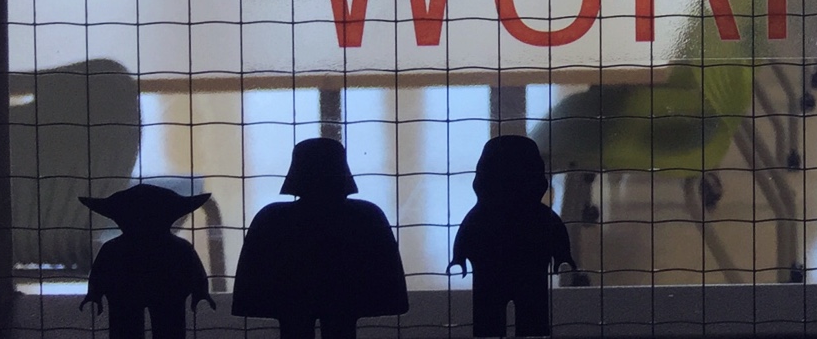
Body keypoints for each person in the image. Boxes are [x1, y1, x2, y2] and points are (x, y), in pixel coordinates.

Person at [230, 137, 408, 339]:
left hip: (293, 299)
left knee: (295, 327)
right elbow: (385, 271)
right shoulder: (367, 216)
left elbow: (254, 273)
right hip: (344, 298)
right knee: (340, 326)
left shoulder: (272, 218)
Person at [449, 135, 575, 337]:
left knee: (526, 316)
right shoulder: (537, 214)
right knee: (497, 316)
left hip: (503, 268)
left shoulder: (483, 214)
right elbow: (556, 229)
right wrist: (562, 255)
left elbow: (467, 231)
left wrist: (459, 257)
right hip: (516, 268)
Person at [79, 183, 214, 339]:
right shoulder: (180, 247)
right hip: (165, 292)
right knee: (166, 327)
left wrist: (94, 293)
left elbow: (99, 273)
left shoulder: (113, 248)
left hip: (130, 293)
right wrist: (200, 291)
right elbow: (195, 270)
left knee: (130, 327)